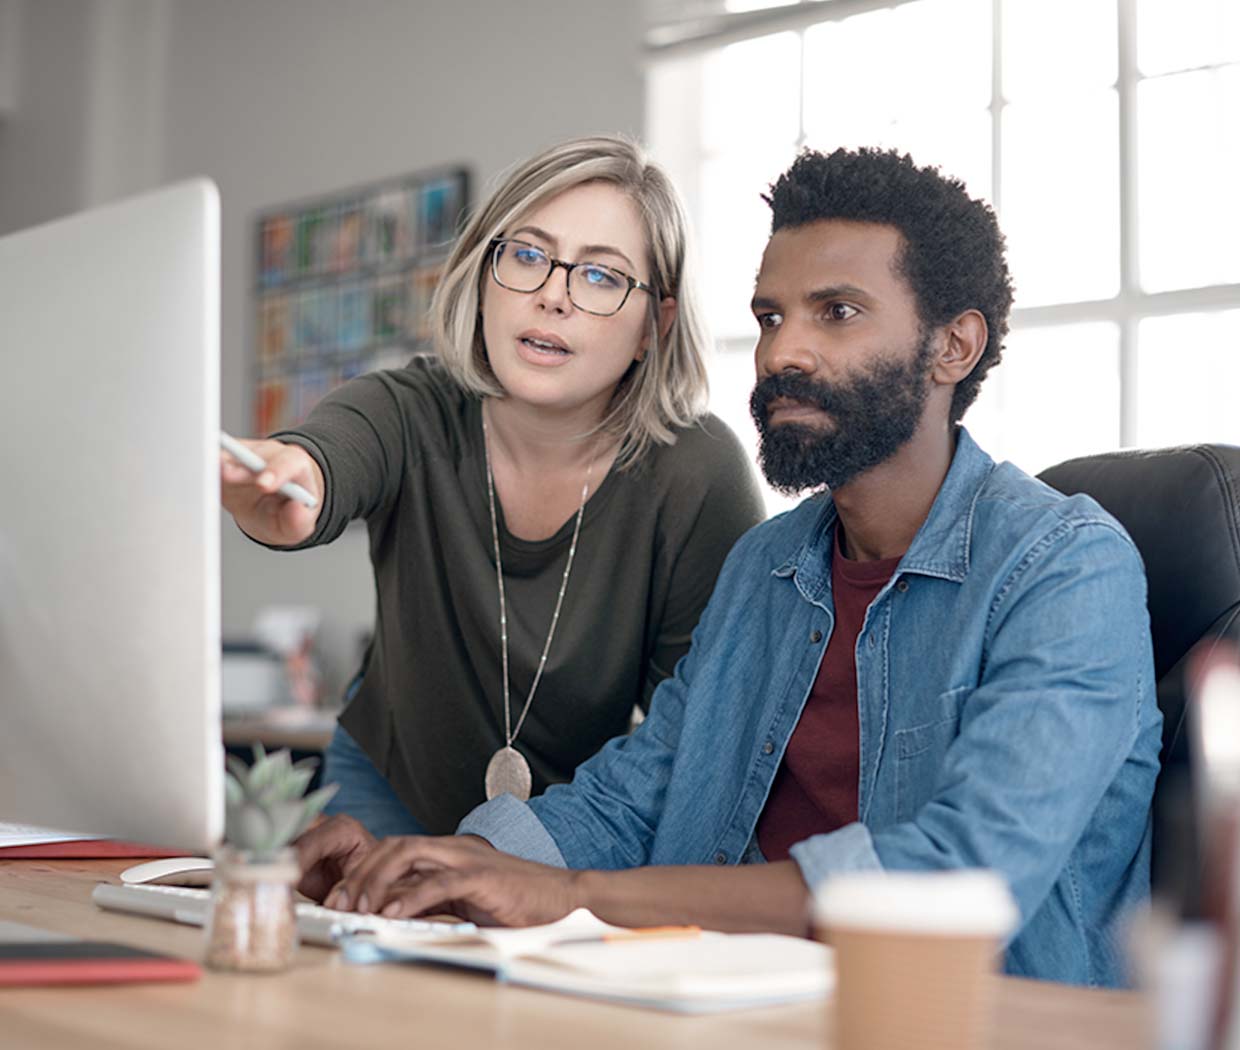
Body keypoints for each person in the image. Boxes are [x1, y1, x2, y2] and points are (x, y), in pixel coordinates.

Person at [295, 147, 1163, 988]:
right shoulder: (767, 565)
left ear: (952, 347)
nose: (781, 352)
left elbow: (957, 879)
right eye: (770, 317)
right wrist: (450, 867)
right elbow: (636, 792)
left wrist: (574, 894)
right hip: (722, 998)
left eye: (838, 312)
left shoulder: (1066, 571)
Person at [221, 136, 765, 838]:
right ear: (485, 275)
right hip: (390, 781)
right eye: (529, 256)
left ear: (651, 327)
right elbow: (329, 454)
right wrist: (292, 481)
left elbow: (694, 731)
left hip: (582, 810)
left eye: (600, 277)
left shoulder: (696, 473)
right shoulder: (412, 409)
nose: (551, 296)